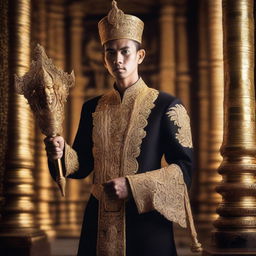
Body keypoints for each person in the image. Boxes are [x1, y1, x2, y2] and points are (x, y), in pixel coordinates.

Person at [45, 1, 201, 255]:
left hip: (147, 226)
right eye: (110, 52)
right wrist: (62, 152)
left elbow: (183, 170)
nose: (117, 59)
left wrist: (132, 186)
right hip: (98, 222)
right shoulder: (92, 107)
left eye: (125, 51)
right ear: (104, 58)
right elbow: (82, 165)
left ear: (140, 55)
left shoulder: (167, 105)